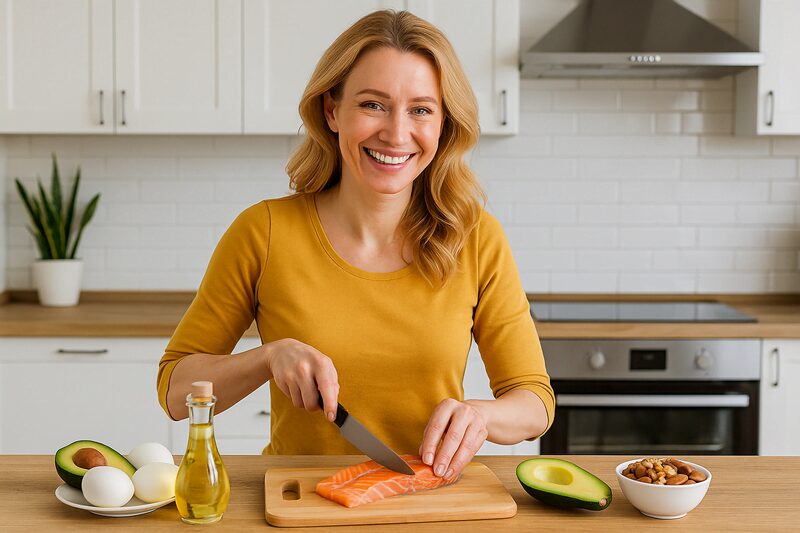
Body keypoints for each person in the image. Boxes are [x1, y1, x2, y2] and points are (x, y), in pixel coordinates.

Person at [157, 9, 553, 480]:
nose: (396, 133)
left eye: (421, 109)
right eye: (373, 104)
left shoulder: (476, 238)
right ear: (332, 110)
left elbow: (534, 402)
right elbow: (175, 391)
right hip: (298, 500)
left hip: (425, 500)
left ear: (443, 124)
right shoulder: (262, 231)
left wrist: (482, 415)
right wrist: (268, 356)